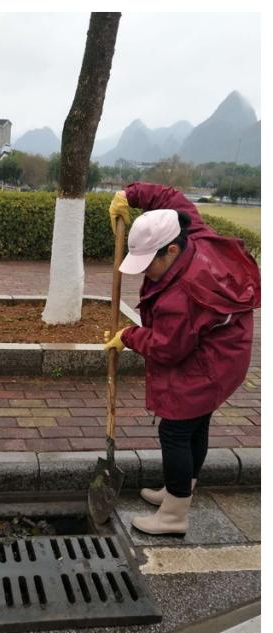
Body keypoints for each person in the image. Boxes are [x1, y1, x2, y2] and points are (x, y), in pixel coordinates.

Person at [105, 183, 261, 537]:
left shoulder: (185, 293)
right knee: (196, 424)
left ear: (171, 249)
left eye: (149, 263)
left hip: (209, 364)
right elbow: (169, 197)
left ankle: (174, 515)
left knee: (174, 430)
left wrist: (127, 336)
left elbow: (167, 347)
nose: (144, 271)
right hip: (227, 350)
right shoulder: (190, 229)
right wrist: (129, 195)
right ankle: (180, 491)